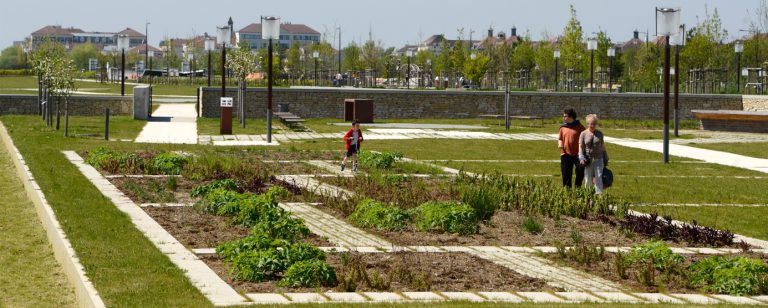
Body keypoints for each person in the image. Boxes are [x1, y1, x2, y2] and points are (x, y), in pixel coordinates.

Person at [579, 114, 609, 194]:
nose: (592, 125)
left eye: (594, 124)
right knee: (588, 178)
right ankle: (587, 195)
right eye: (590, 123)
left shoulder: (600, 134)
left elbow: (602, 146)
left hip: (599, 159)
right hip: (588, 160)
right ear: (587, 124)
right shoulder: (583, 133)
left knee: (598, 178)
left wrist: (606, 156)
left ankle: (599, 196)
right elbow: (581, 147)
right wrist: (581, 157)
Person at [558, 108, 586, 188]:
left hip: (578, 154)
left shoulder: (580, 127)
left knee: (581, 170)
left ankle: (578, 186)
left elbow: (585, 138)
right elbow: (560, 138)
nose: (563, 118)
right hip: (565, 154)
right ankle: (567, 191)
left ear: (571, 117)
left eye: (565, 116)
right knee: (566, 174)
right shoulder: (562, 127)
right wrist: (560, 144)